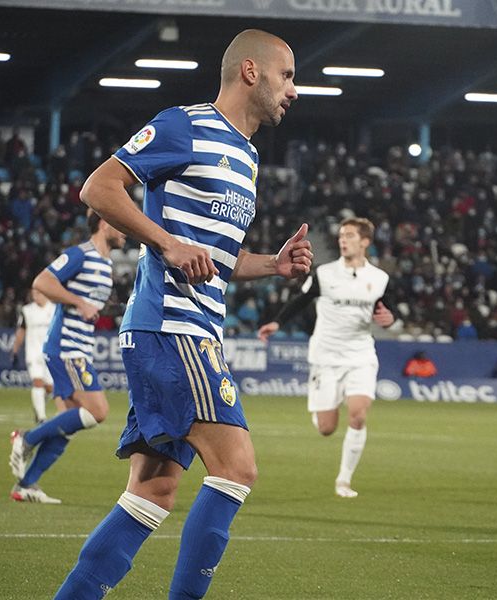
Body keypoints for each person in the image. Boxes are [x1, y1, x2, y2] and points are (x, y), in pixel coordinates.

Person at [54, 28, 309, 600]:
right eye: (287, 76)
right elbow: (99, 189)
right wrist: (167, 242)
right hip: (173, 327)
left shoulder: (248, 157)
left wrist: (273, 265)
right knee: (236, 468)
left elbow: (216, 259)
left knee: (154, 491)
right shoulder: (184, 125)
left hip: (185, 330)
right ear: (251, 71)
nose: (294, 90)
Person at [258, 217, 394, 498]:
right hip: (326, 356)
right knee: (326, 428)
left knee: (358, 415)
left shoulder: (379, 279)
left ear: (365, 241)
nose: (343, 240)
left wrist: (390, 320)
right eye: (342, 235)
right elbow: (301, 300)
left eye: (350, 235)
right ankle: (323, 405)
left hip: (360, 355)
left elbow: (386, 311)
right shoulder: (325, 274)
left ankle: (344, 480)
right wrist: (277, 322)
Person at [7, 210, 126, 504]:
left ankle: (26, 485)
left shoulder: (105, 264)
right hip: (66, 347)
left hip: (79, 346)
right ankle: (27, 438)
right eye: (120, 224)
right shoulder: (80, 254)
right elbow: (42, 282)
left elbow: (85, 303)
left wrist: (94, 308)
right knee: (98, 411)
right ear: (104, 223)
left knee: (69, 424)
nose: (126, 231)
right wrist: (80, 303)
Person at [10, 288, 59, 423]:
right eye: (34, 294)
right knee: (37, 381)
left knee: (50, 387)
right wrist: (15, 350)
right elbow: (21, 331)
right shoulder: (27, 311)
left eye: (39, 293)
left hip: (50, 353)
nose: (36, 296)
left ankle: (39, 405)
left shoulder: (55, 309)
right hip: (33, 353)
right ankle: (41, 417)